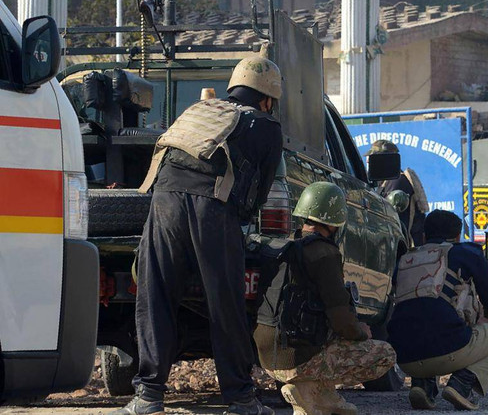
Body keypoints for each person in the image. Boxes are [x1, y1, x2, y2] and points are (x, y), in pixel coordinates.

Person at [111, 55, 284, 415]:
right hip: (212, 206)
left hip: (164, 200)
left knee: (156, 295)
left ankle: (148, 396)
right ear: (267, 99)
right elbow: (260, 190)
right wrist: (240, 222)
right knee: (225, 303)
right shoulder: (265, 124)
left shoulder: (198, 110)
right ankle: (240, 398)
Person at [253, 181, 396, 415]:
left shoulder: (284, 246)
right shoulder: (324, 253)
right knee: (384, 354)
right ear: (334, 222)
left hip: (267, 360)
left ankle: (324, 396)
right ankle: (310, 388)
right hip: (297, 361)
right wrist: (361, 331)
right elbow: (341, 319)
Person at [388, 210, 488, 411]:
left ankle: (423, 385)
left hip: (405, 359)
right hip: (447, 351)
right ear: (458, 236)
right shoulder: (465, 253)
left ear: (424, 237)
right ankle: (462, 384)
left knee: (426, 317)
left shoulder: (405, 260)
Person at [367, 139, 429, 246]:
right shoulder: (386, 181)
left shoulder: (397, 181)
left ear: (385, 160)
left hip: (403, 246)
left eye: (372, 158)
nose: (368, 162)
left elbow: (388, 218)